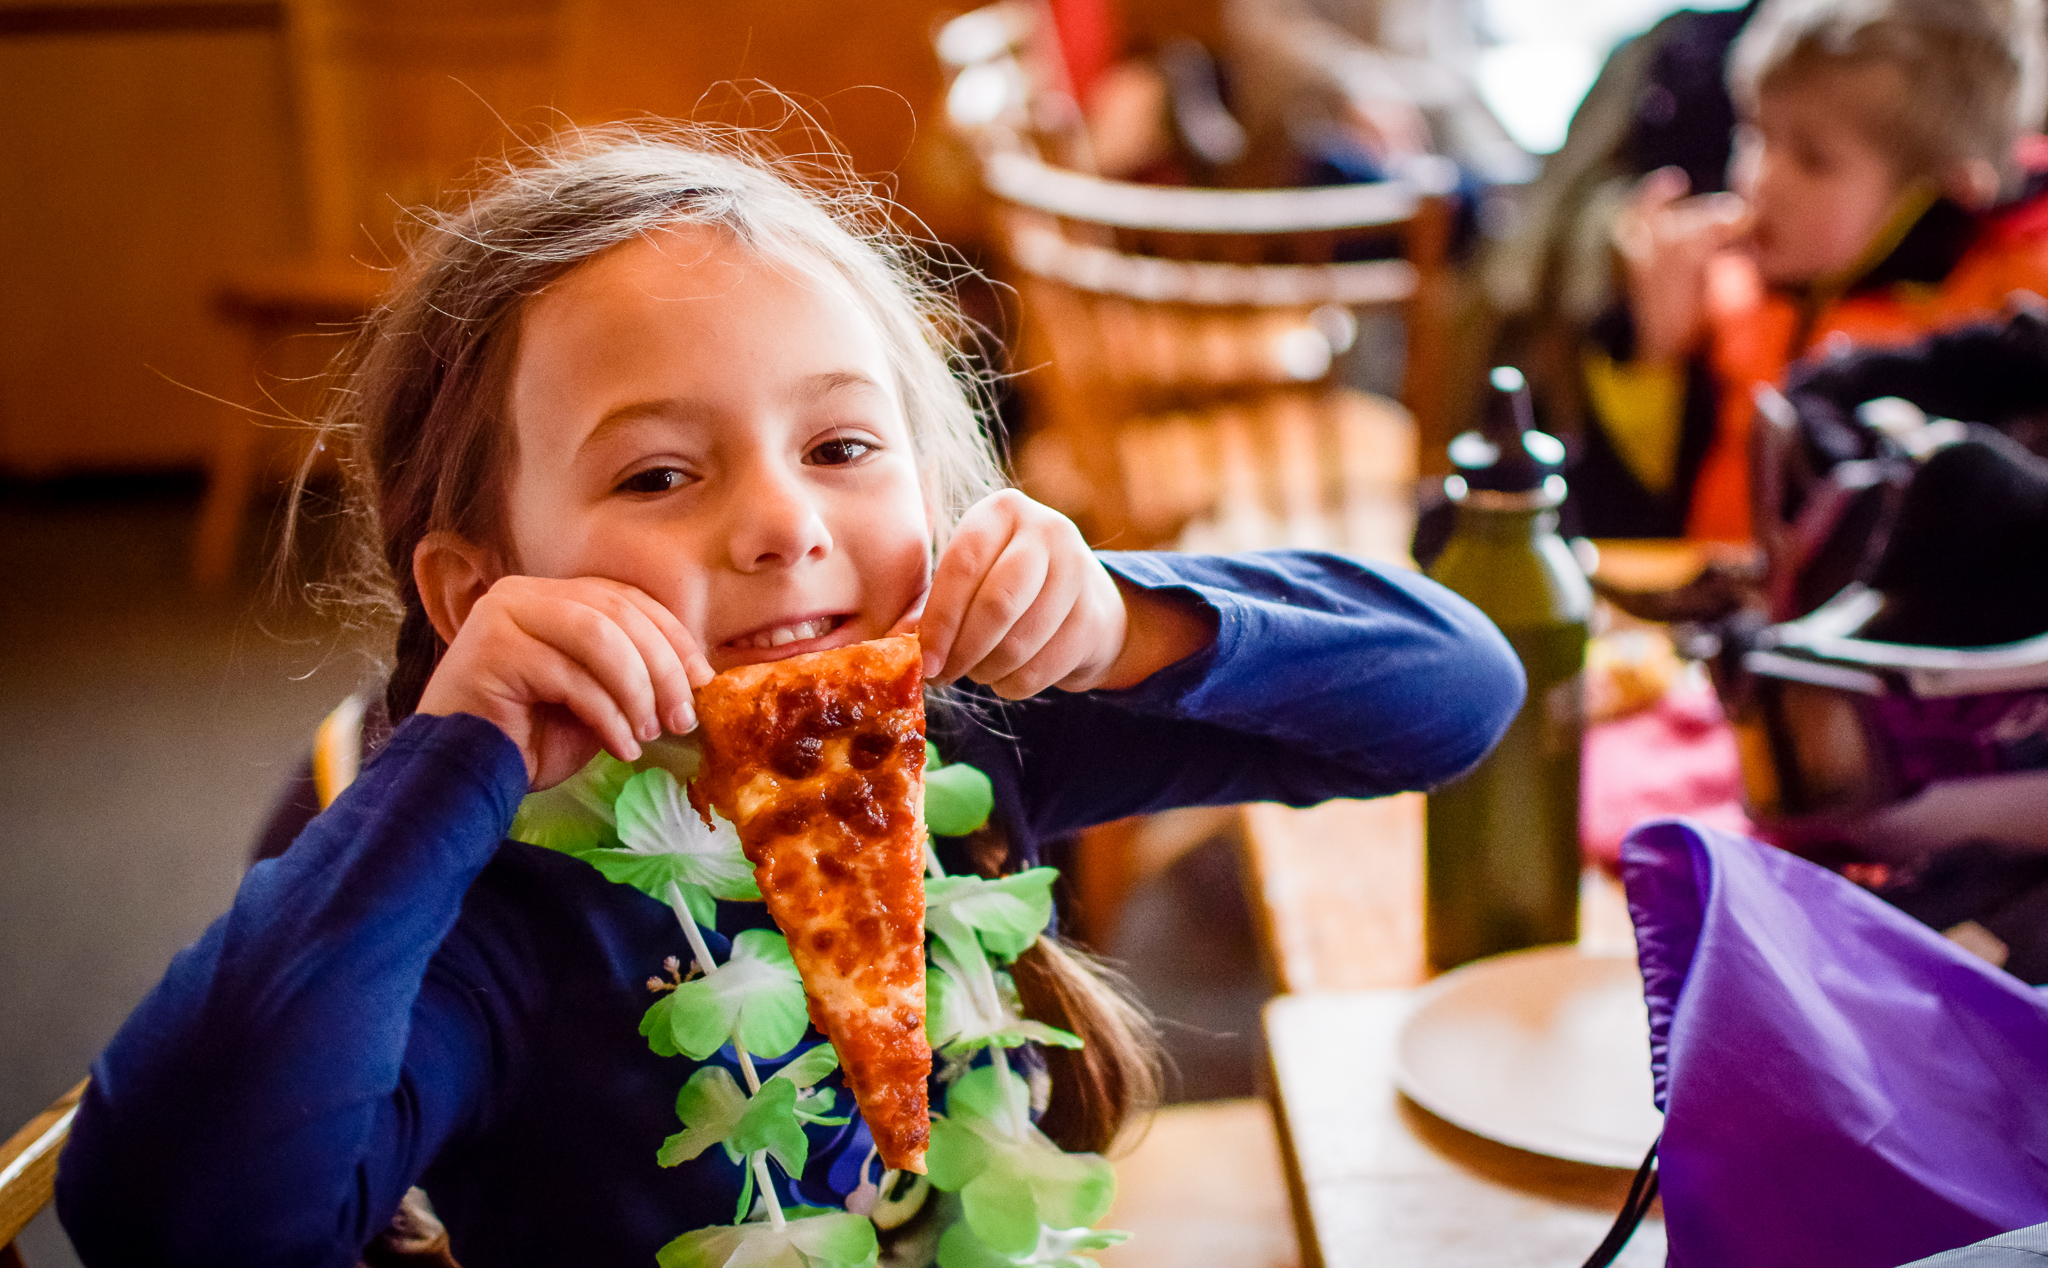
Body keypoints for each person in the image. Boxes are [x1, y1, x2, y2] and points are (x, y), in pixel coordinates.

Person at [53, 128, 1524, 1266]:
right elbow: (171, 1223)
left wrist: (1118, 620)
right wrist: (455, 758)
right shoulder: (497, 915)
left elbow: (1458, 696)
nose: (781, 525)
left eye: (839, 447)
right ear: (476, 586)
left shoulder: (972, 732)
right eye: (656, 474)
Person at [1574, 0, 2048, 540]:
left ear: (1947, 188)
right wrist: (1654, 352)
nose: (1760, 178)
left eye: (1814, 160)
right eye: (1753, 133)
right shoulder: (1723, 291)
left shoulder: (2004, 333)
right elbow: (1621, 526)